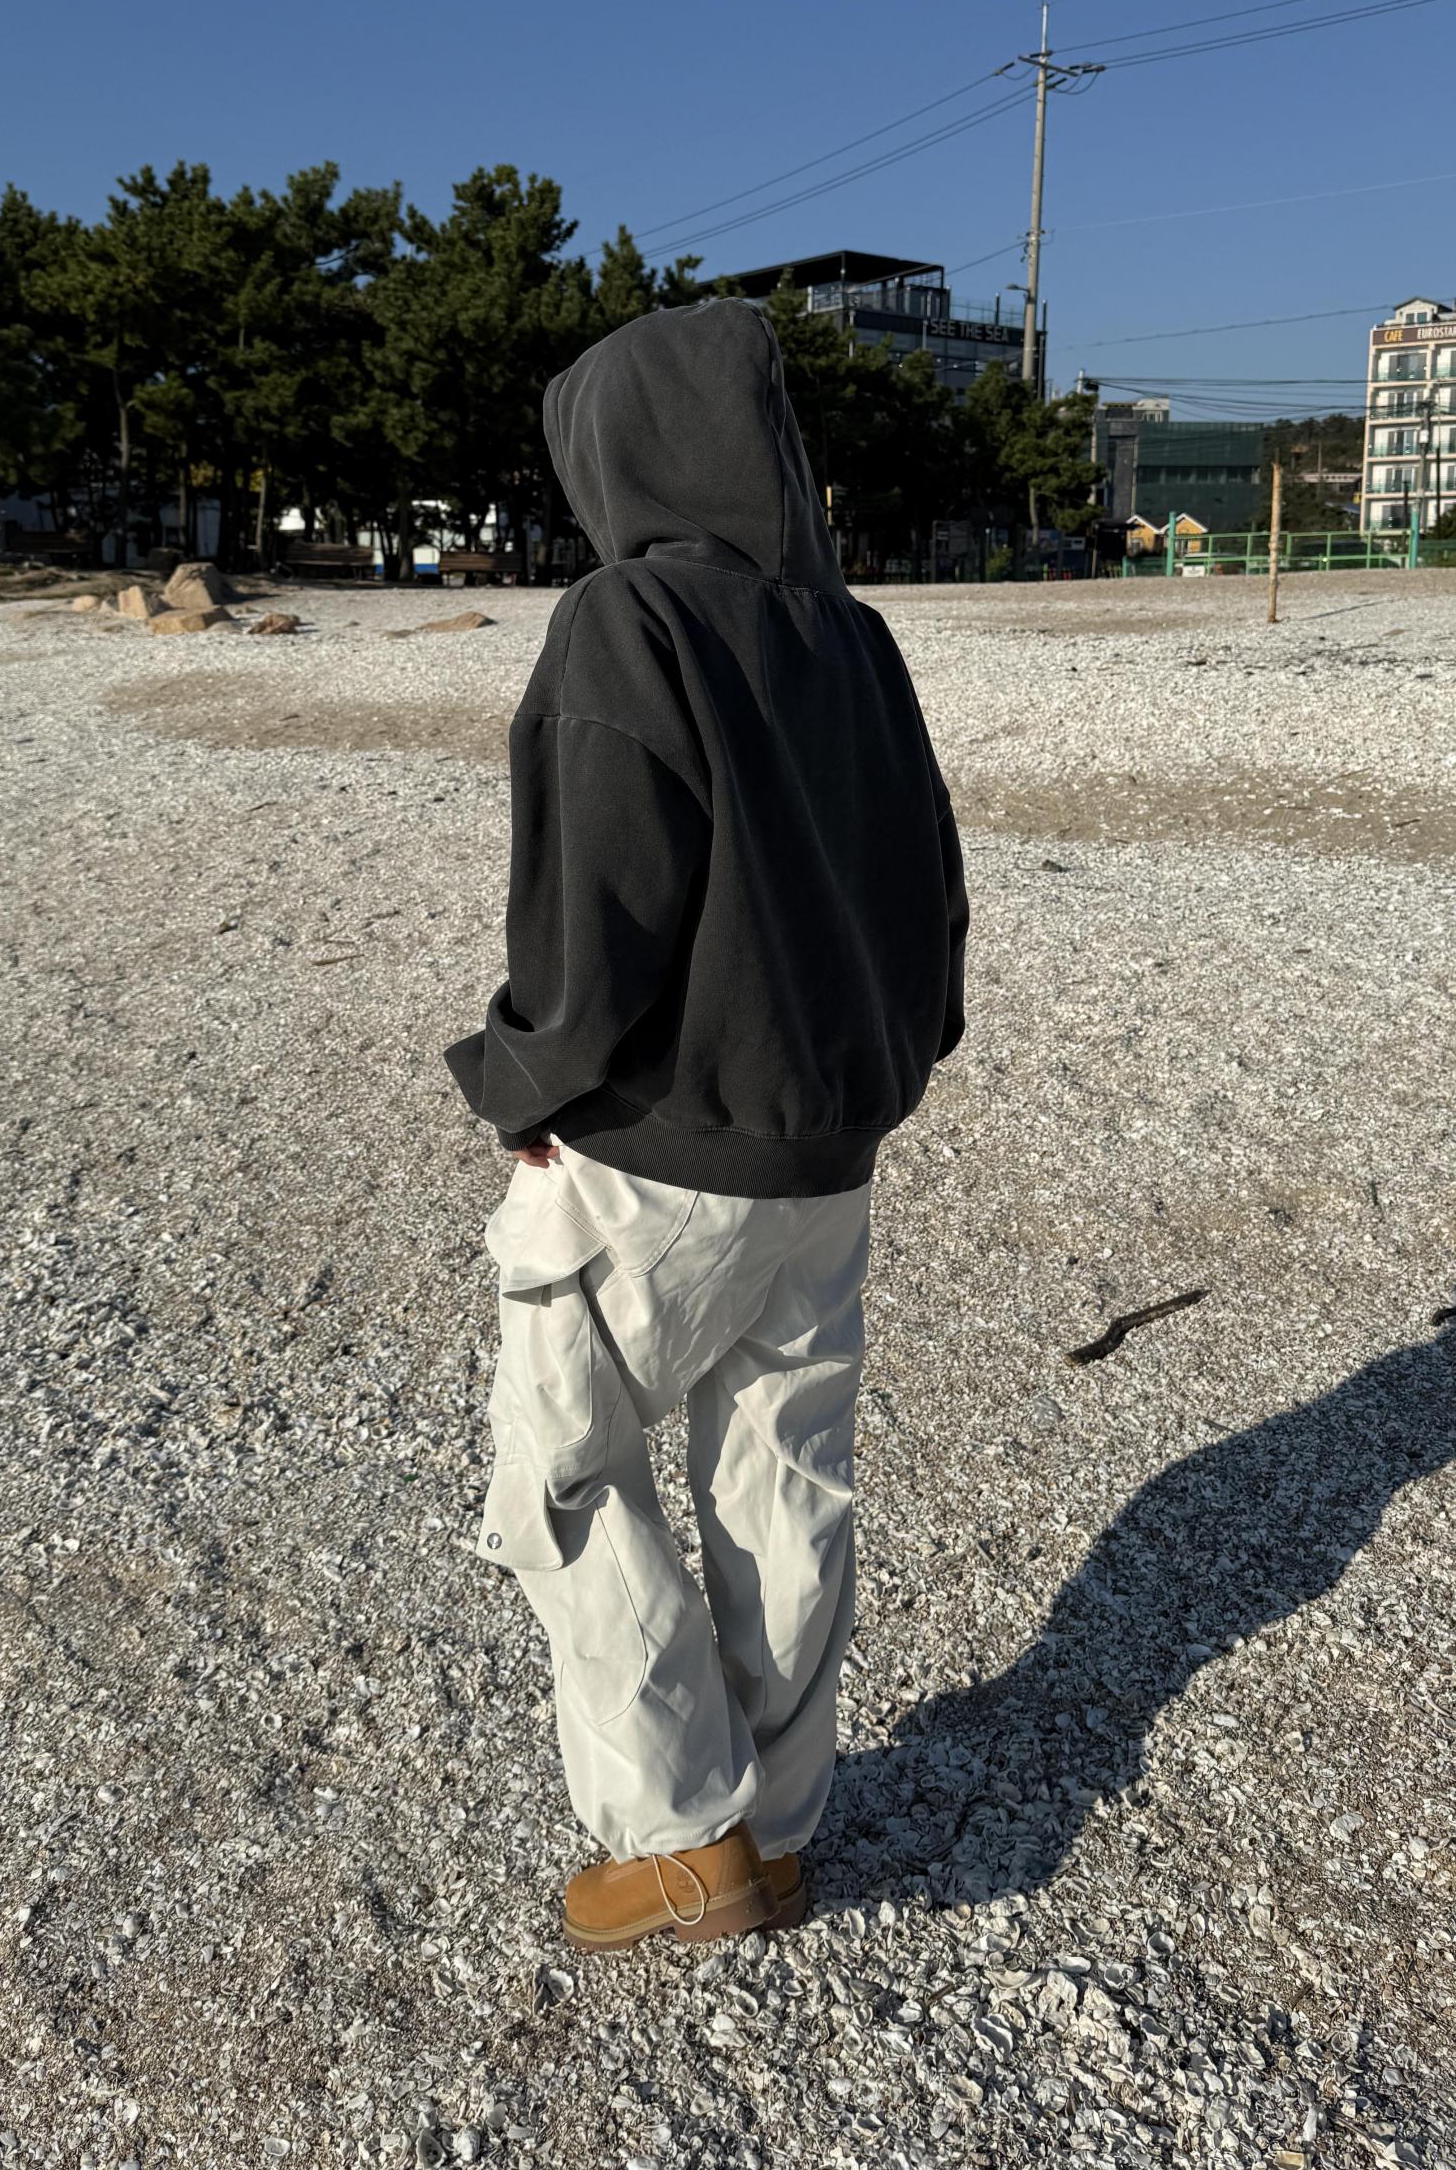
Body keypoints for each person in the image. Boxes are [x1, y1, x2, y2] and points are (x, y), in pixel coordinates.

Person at [446, 298, 968, 1953]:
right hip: (828, 1152)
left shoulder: (628, 617)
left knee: (563, 1474)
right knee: (783, 1478)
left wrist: (519, 1079)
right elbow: (932, 885)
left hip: (658, 1150)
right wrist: (893, 1058)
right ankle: (781, 1833)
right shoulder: (857, 639)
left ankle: (680, 1838)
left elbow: (593, 915)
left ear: (617, 453)